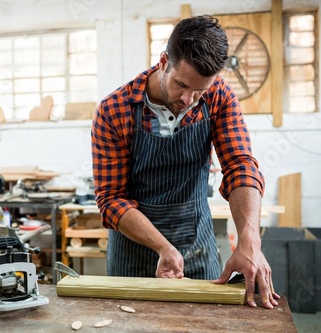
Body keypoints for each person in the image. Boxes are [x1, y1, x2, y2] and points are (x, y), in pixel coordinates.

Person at [91, 15, 280, 309]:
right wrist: (163, 247)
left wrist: (250, 240)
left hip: (198, 246)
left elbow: (240, 166)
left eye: (200, 90)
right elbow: (111, 199)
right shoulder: (114, 110)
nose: (189, 98)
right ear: (164, 61)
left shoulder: (219, 97)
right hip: (134, 251)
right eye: (181, 84)